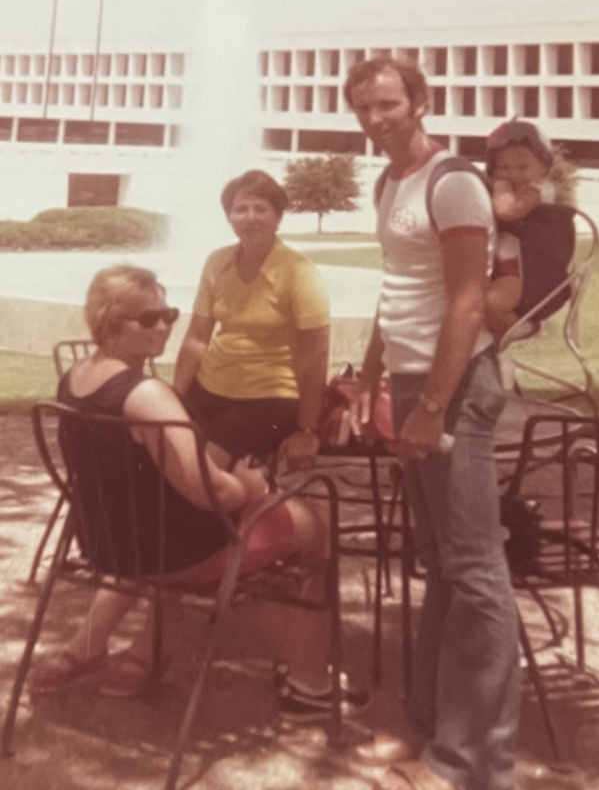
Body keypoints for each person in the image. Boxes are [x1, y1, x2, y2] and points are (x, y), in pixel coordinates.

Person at [28, 265, 367, 721]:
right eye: (148, 319)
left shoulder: (74, 380)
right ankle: (308, 684)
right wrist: (247, 485)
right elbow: (211, 495)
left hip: (107, 545)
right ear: (109, 323)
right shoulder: (149, 395)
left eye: (168, 313)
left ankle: (97, 649)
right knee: (313, 525)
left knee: (235, 519)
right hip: (176, 555)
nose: (165, 325)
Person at [344, 58, 520, 790]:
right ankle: (430, 726)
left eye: (388, 102)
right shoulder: (390, 183)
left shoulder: (452, 182)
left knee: (476, 571)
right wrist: (368, 371)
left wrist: (430, 406)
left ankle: (473, 763)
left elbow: (468, 303)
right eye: (364, 106)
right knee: (442, 563)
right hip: (415, 378)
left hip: (456, 388)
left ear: (420, 102)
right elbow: (399, 293)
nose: (376, 116)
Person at [173, 169, 330, 471]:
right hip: (208, 389)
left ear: (278, 217)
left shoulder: (299, 271)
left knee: (202, 470)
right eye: (240, 209)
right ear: (229, 216)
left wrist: (307, 431)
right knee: (160, 451)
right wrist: (175, 396)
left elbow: (316, 354)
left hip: (269, 399)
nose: (250, 217)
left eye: (261, 208)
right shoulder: (217, 262)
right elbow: (196, 338)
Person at [485, 118, 575, 338]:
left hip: (525, 273)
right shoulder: (502, 188)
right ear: (493, 170)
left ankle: (524, 329)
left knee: (487, 303)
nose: (514, 173)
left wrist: (511, 194)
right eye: (504, 167)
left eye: (523, 166)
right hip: (508, 267)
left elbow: (507, 212)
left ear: (544, 167)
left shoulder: (536, 192)